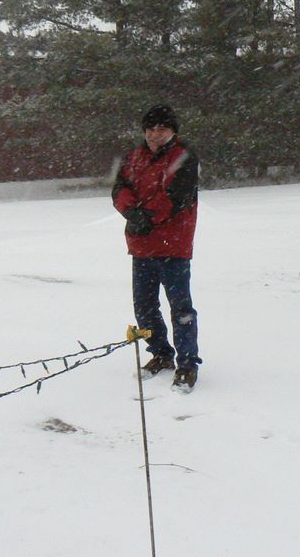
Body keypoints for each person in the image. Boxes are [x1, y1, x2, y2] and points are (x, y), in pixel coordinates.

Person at [112, 104, 201, 391]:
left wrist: (147, 217)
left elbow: (177, 197)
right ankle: (161, 354)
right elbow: (120, 189)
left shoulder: (183, 157)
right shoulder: (134, 157)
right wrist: (130, 212)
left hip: (173, 246)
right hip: (141, 247)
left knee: (181, 308)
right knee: (145, 307)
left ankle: (187, 364)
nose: (155, 134)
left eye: (161, 128)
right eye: (150, 129)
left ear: (173, 131)